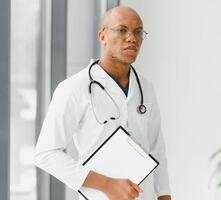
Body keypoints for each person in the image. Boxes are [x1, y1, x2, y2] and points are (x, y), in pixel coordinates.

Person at [34, 6, 172, 200]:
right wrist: (106, 184)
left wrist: (164, 195)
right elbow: (45, 153)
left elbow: (157, 149)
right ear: (102, 36)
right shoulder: (74, 88)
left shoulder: (146, 88)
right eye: (122, 30)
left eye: (138, 32)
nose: (132, 38)